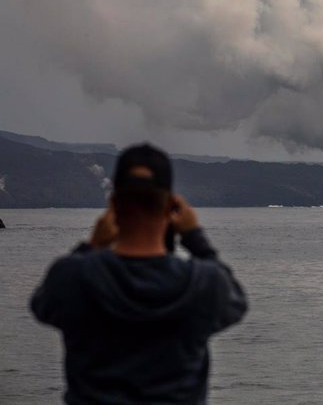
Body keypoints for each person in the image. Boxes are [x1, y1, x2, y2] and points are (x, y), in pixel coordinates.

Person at [30, 144, 248, 405]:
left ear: (113, 205)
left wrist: (92, 245)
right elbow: (236, 300)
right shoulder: (203, 283)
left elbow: (42, 305)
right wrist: (195, 238)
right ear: (171, 207)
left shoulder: (74, 277)